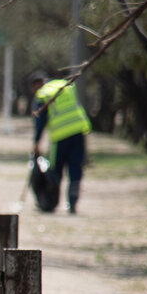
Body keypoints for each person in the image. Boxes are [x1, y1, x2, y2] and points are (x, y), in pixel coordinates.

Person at [29, 71, 90, 214]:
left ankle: (51, 202)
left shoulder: (43, 94)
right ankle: (73, 203)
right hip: (78, 131)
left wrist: (36, 142)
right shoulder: (65, 85)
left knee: (56, 170)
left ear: (36, 85)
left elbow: (40, 121)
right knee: (75, 168)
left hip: (60, 135)